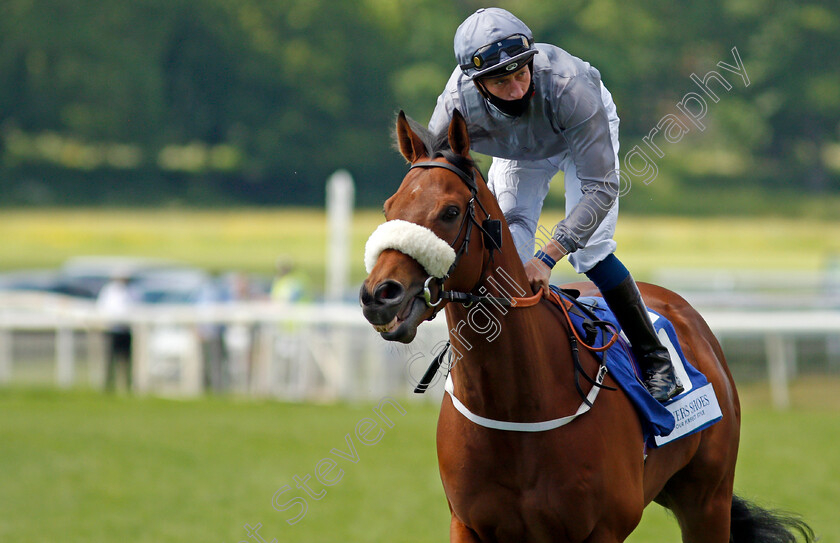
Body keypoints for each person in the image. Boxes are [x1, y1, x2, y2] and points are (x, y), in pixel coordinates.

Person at [428, 7, 682, 401]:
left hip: (577, 138)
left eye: (520, 74)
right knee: (510, 246)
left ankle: (654, 358)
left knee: (590, 252)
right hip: (519, 151)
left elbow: (600, 189)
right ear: (476, 84)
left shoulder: (570, 88)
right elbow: (435, 180)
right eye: (500, 82)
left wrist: (548, 258)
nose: (516, 89)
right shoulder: (452, 107)